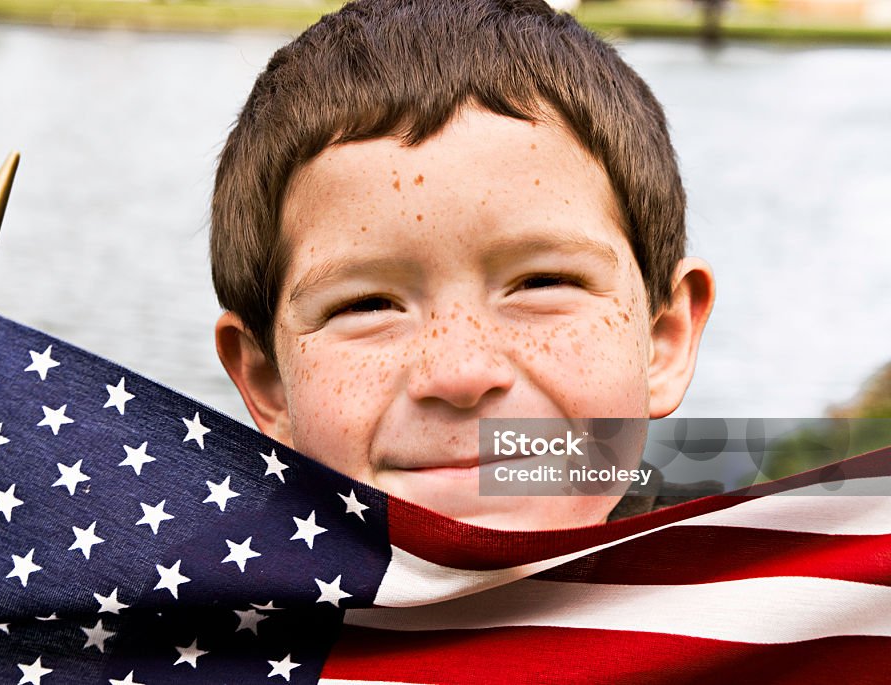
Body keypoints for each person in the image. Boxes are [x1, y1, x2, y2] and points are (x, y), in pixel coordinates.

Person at [210, 0, 715, 531]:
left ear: (662, 339)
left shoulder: (773, 588)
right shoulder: (193, 603)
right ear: (270, 385)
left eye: (542, 283)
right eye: (367, 305)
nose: (459, 373)